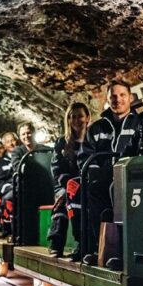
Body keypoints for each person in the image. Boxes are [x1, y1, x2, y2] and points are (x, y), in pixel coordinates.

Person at [77, 79, 140, 269]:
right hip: (103, 179)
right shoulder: (97, 128)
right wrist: (97, 176)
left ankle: (124, 252)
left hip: (131, 178)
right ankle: (98, 249)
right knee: (91, 192)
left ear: (130, 97)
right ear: (108, 99)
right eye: (113, 96)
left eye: (122, 95)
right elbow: (85, 157)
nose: (118, 100)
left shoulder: (140, 124)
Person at [47, 103, 90, 260]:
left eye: (80, 116)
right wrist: (68, 182)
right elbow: (56, 168)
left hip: (87, 182)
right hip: (65, 184)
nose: (76, 120)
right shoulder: (62, 142)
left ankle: (85, 243)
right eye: (73, 116)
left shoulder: (92, 139)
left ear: (87, 118)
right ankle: (56, 242)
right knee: (65, 196)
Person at [0, 132, 19, 238]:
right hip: (11, 189)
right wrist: (13, 186)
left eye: (13, 140)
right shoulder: (0, 163)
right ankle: (9, 229)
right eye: (8, 142)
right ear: (5, 145)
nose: (11, 144)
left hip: (26, 187)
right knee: (8, 198)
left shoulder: (24, 155)